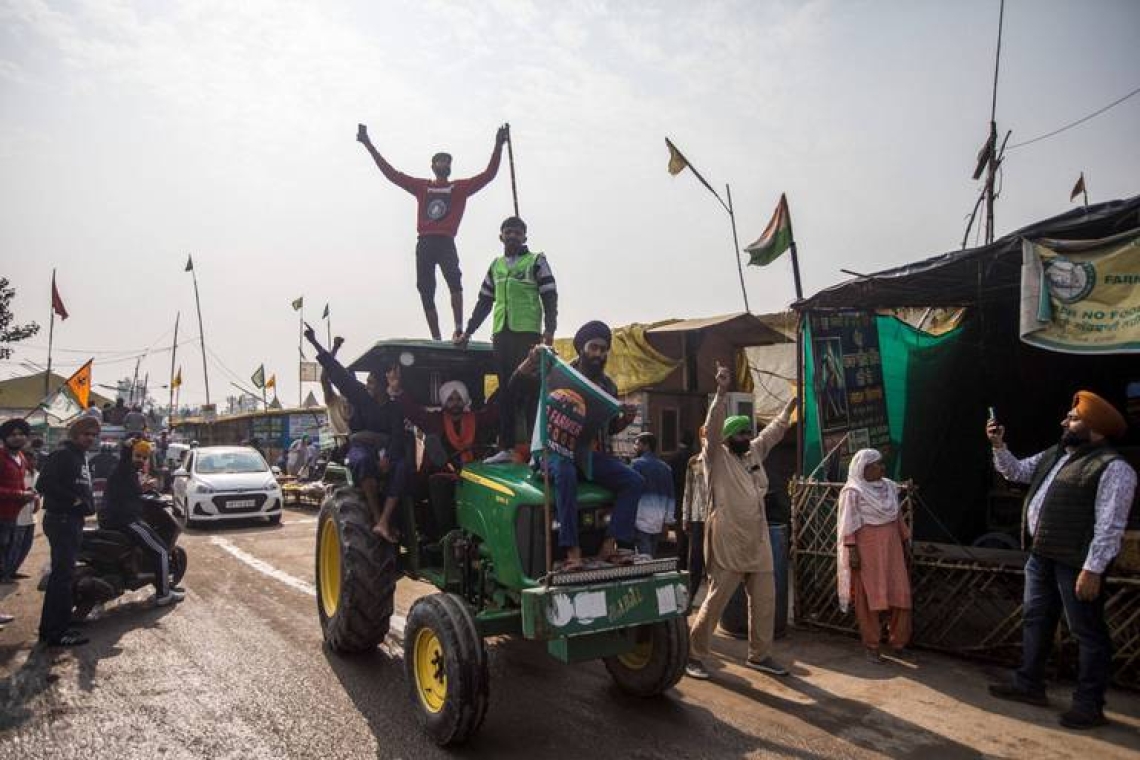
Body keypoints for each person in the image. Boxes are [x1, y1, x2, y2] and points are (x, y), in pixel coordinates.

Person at [987, 391, 1136, 730]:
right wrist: (998, 445)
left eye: (1073, 418)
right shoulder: (1056, 454)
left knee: (1087, 632)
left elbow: (1110, 525)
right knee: (1036, 619)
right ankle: (1029, 684)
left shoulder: (1114, 468)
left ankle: (1088, 704)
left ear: (1094, 427)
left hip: (1077, 562)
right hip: (1042, 556)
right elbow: (1016, 472)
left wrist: (1093, 569)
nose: (1064, 422)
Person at [686, 362, 794, 681]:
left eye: (749, 431)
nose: (749, 436)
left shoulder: (753, 454)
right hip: (727, 541)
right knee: (716, 601)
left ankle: (760, 656)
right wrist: (720, 392)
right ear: (729, 436)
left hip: (758, 542)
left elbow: (773, 432)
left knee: (765, 603)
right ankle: (694, 655)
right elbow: (713, 424)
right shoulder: (715, 457)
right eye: (743, 432)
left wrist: (789, 407)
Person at [357, 123, 508, 341]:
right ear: (432, 165)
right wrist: (368, 144)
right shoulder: (422, 187)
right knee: (426, 290)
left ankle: (458, 328)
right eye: (440, 160)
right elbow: (392, 174)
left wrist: (498, 146)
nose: (443, 164)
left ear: (450, 167)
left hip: (446, 241)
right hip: (425, 242)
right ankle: (436, 337)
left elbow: (488, 175)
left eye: (447, 161)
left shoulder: (459, 188)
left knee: (454, 282)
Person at [510, 324, 642, 571]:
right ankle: (572, 550)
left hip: (588, 456)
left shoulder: (608, 386)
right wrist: (531, 360)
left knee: (633, 480)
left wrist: (624, 420)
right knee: (566, 472)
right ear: (581, 348)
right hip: (553, 452)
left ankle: (610, 544)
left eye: (604, 350)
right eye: (594, 347)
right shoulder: (556, 372)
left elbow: (607, 428)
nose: (599, 354)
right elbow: (515, 385)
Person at [456, 216, 559, 463]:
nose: (512, 236)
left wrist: (550, 329)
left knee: (533, 391)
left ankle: (538, 452)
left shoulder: (536, 261)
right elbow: (484, 302)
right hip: (501, 335)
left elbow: (549, 294)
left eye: (517, 232)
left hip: (528, 336)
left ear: (525, 237)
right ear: (501, 236)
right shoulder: (496, 266)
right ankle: (507, 447)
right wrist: (468, 331)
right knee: (506, 391)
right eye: (508, 232)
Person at [305, 325, 412, 543]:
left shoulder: (394, 408)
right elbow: (335, 373)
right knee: (361, 460)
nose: (368, 385)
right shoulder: (361, 398)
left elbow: (398, 435)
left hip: (385, 449)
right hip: (360, 446)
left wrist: (388, 457)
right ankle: (376, 518)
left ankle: (385, 519)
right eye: (368, 382)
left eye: (372, 382)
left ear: (383, 385)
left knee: (401, 467)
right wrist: (315, 343)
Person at [837, 448, 912, 663]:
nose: (883, 467)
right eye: (878, 464)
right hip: (867, 551)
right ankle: (871, 646)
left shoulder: (889, 487)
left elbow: (896, 517)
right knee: (869, 598)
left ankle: (898, 642)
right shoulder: (853, 491)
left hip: (892, 549)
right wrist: (852, 552)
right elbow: (848, 524)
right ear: (864, 468)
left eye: (882, 464)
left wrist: (905, 540)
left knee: (901, 594)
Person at [36, 416, 101, 647]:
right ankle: (56, 632)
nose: (90, 439)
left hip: (71, 521)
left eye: (94, 435)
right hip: (62, 520)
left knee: (64, 576)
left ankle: (54, 627)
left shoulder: (79, 455)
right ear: (75, 434)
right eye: (86, 434)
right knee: (62, 578)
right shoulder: (63, 454)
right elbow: (43, 484)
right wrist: (73, 500)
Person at [101, 439, 183, 606]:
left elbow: (128, 492)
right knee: (160, 551)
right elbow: (126, 460)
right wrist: (128, 445)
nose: (141, 459)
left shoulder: (129, 472)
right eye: (137, 455)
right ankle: (163, 595)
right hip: (125, 520)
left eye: (144, 457)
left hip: (115, 519)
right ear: (130, 455)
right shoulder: (123, 467)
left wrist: (142, 487)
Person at [0, 419, 36, 629]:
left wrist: (31, 495)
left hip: (12, 518)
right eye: (12, 434)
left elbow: (23, 484)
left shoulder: (21, 457)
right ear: (5, 438)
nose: (18, 437)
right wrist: (20, 495)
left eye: (21, 433)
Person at [630, 432, 675, 557]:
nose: (634, 447)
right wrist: (667, 521)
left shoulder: (636, 465)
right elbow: (671, 498)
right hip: (658, 522)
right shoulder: (666, 468)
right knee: (652, 556)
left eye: (637, 444)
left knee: (644, 559)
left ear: (646, 446)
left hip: (640, 520)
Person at [681, 427, 710, 603]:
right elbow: (688, 490)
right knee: (695, 559)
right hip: (697, 517)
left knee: (715, 560)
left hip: (717, 517)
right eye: (705, 436)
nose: (707, 439)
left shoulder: (722, 461)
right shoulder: (694, 462)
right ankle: (690, 598)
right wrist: (685, 516)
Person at [667, 431, 697, 569]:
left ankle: (681, 566)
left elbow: (670, 480)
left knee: (681, 537)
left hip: (680, 499)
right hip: (697, 501)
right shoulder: (697, 457)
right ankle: (697, 567)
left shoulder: (674, 458)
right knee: (697, 536)